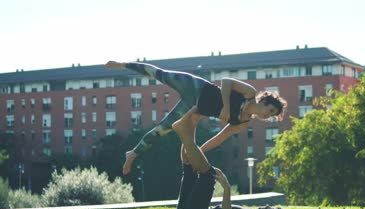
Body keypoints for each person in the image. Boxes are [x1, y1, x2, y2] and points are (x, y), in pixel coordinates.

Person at [104, 61, 287, 175]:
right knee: (160, 74)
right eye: (269, 110)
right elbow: (225, 81)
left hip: (194, 107)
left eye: (271, 116)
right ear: (264, 101)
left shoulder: (243, 122)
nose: (267, 115)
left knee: (162, 129)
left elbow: (220, 138)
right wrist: (225, 106)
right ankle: (123, 64)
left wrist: (199, 152)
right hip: (195, 87)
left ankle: (132, 154)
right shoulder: (250, 93)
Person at [175, 139, 287, 209]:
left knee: (207, 175)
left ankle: (187, 129)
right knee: (189, 168)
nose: (268, 206)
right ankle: (187, 130)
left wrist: (227, 188)